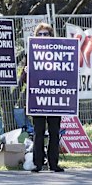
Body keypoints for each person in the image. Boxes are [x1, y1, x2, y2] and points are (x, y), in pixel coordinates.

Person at [20, 23, 65, 173]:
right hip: (37, 99)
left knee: (54, 131)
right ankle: (37, 163)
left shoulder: (61, 52)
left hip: (54, 99)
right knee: (38, 132)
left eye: (46, 34)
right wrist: (26, 71)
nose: (43, 37)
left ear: (51, 36)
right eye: (40, 34)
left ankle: (53, 163)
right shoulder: (30, 54)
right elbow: (24, 79)